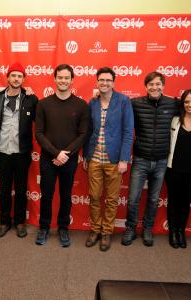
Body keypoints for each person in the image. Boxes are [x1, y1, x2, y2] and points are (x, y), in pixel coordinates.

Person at [121, 71, 179, 247]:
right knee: (133, 198)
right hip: (141, 159)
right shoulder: (135, 103)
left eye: (158, 84)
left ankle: (147, 228)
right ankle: (130, 228)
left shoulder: (173, 103)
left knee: (153, 199)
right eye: (151, 84)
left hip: (162, 160)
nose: (155, 87)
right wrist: (96, 95)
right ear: (146, 86)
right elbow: (117, 105)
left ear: (163, 86)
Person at [35, 64, 89, 247]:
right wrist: (56, 153)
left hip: (69, 159)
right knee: (47, 195)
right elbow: (39, 133)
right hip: (48, 159)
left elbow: (83, 134)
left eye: (67, 78)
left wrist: (66, 154)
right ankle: (43, 227)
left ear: (72, 80)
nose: (63, 81)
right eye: (60, 77)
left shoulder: (81, 105)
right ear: (55, 79)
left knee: (66, 195)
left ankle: (63, 228)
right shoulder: (43, 104)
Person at [83, 67, 134, 251]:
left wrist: (123, 159)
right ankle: (95, 229)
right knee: (94, 196)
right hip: (95, 158)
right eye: (101, 80)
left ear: (113, 82)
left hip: (114, 160)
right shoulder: (93, 103)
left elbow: (128, 132)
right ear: (97, 81)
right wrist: (86, 155)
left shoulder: (123, 101)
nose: (104, 83)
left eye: (108, 80)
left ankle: (107, 232)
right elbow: (87, 131)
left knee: (112, 199)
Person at [0, 63, 38, 238]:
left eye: (20, 76)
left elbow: (40, 122)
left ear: (23, 79)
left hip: (22, 152)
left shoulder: (31, 99)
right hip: (3, 151)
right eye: (13, 75)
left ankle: (20, 222)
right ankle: (4, 222)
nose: (16, 79)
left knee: (20, 189)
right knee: (4, 189)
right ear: (8, 77)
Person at [165, 89, 191, 248]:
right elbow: (165, 97)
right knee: (173, 201)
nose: (190, 105)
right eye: (186, 101)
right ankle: (172, 232)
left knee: (185, 202)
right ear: (182, 103)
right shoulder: (174, 120)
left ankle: (181, 231)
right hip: (174, 169)